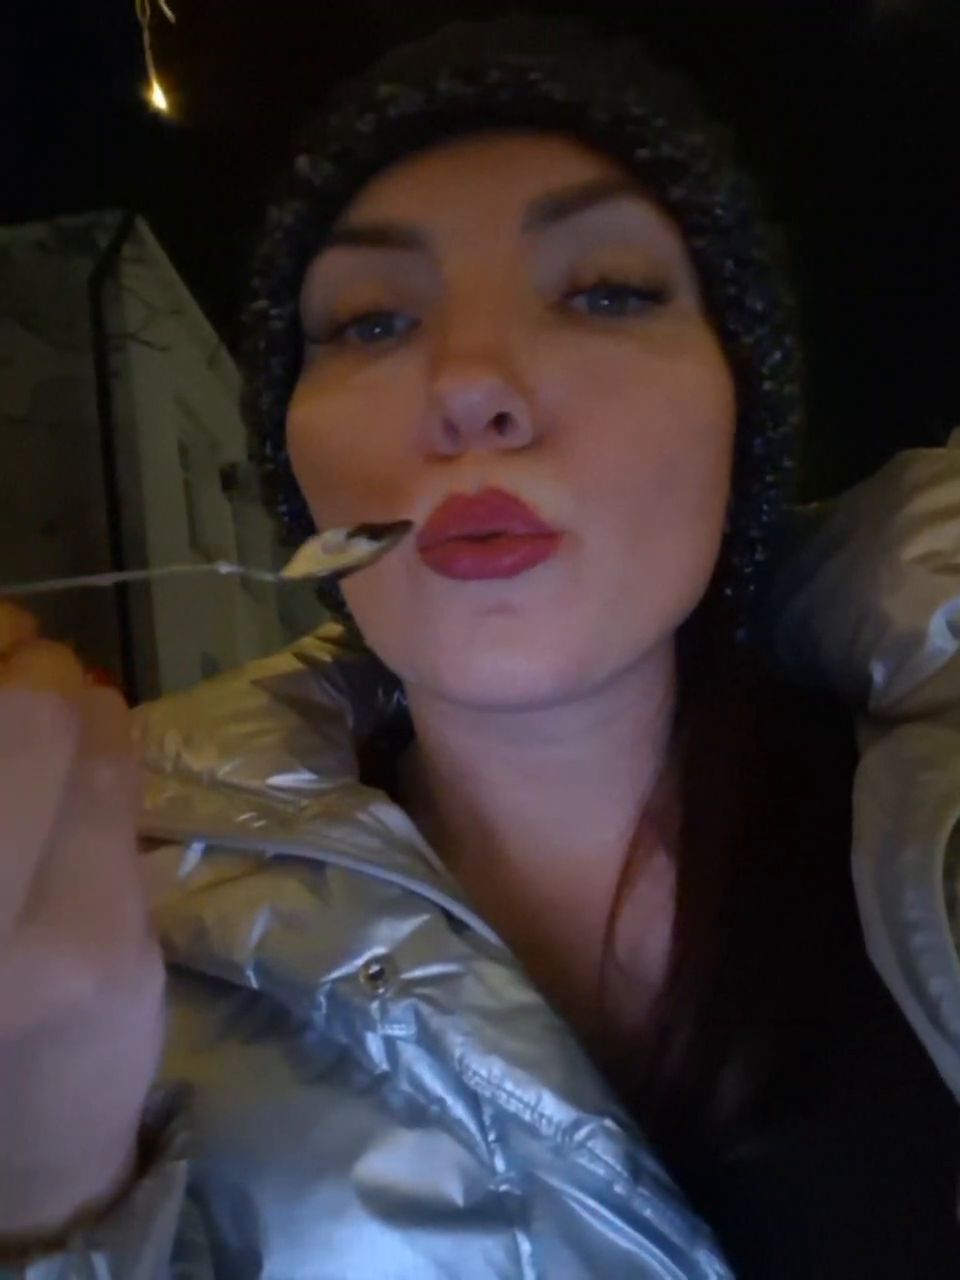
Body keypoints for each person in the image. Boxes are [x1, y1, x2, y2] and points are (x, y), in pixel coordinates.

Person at [1, 16, 958, 1278]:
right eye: (370, 321)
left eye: (605, 292)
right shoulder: (119, 936)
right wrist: (47, 1192)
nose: (469, 385)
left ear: (743, 427)